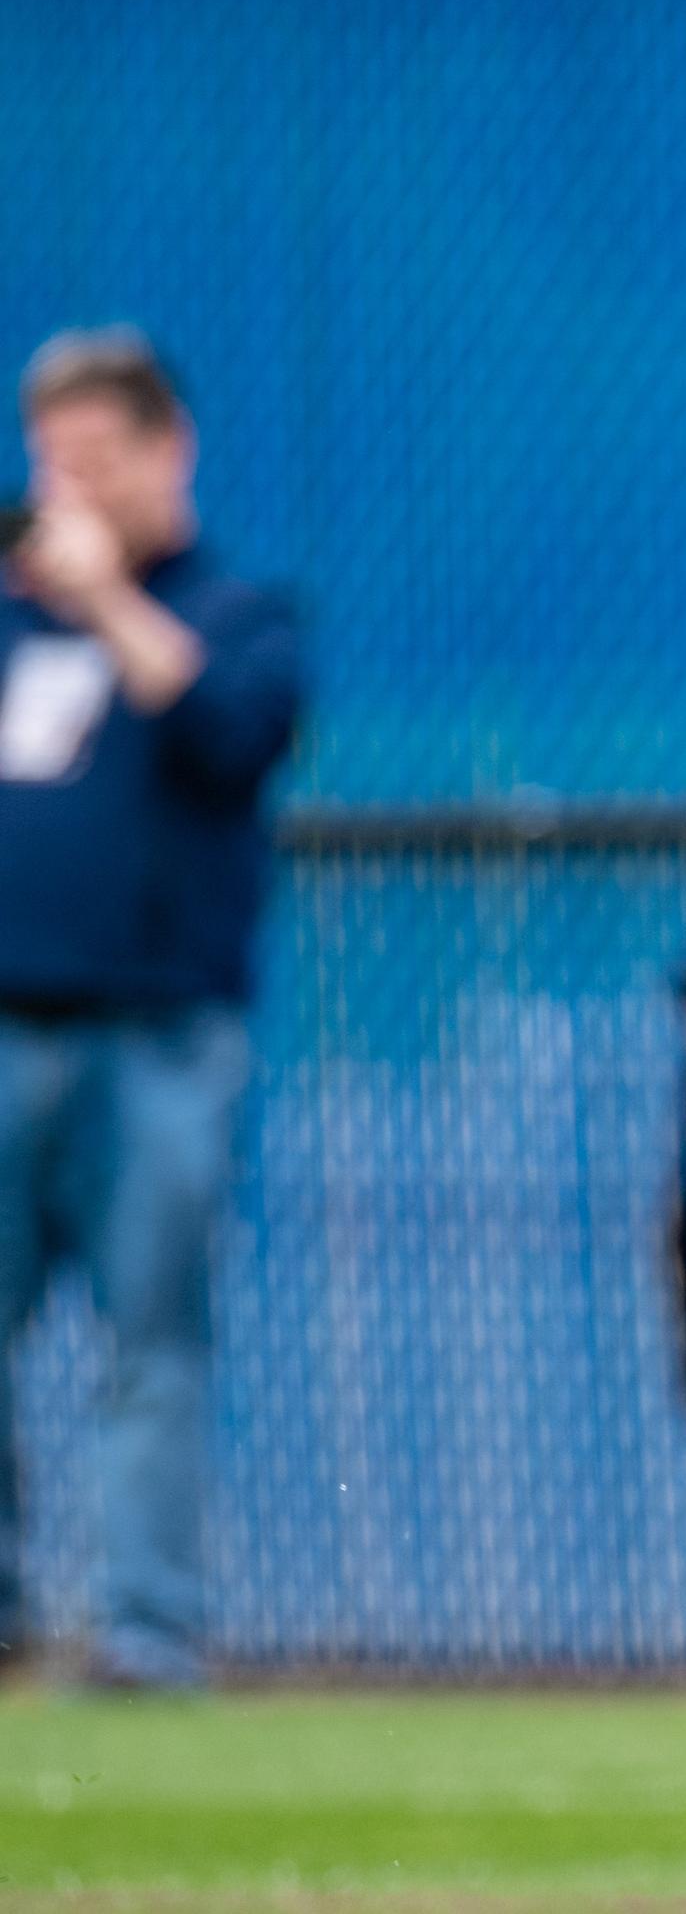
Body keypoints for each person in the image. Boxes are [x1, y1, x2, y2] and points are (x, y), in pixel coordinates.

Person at [0, 328, 302, 1692]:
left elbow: (232, 736)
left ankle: (145, 1624)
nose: (66, 487)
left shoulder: (237, 611)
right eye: (50, 459)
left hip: (159, 1035)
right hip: (11, 1026)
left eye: (96, 459)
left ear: (167, 450)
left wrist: (113, 599)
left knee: (151, 1335)